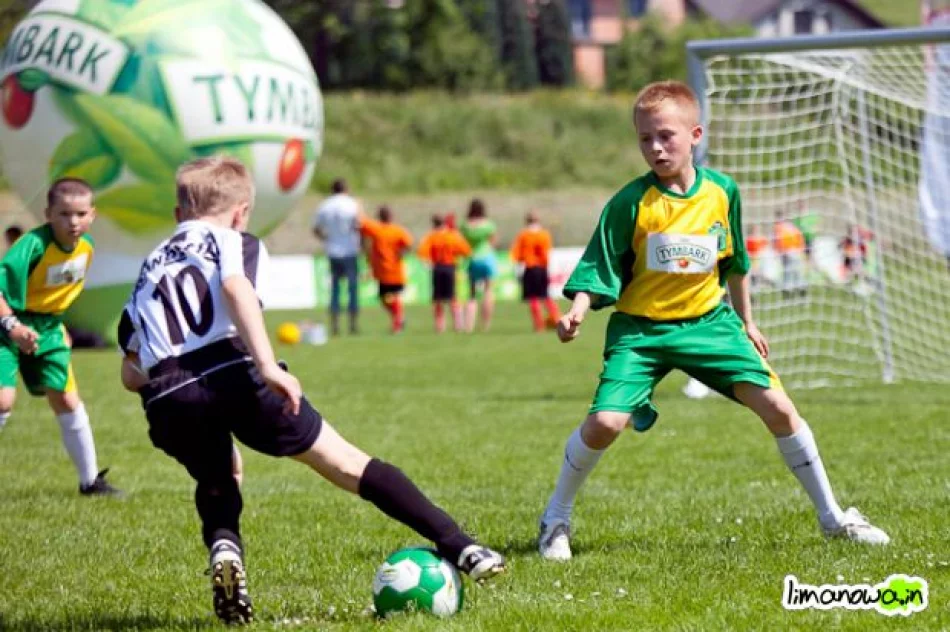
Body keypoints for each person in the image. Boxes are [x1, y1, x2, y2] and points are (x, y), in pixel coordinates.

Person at [117, 157, 505, 625]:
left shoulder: (149, 267)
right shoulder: (232, 240)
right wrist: (267, 366)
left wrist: (171, 388)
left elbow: (129, 370)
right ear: (242, 212)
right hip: (232, 371)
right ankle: (464, 549)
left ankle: (225, 548)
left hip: (168, 393)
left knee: (220, 475)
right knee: (347, 464)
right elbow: (237, 289)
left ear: (179, 213)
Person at [536, 81, 889, 562]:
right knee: (605, 422)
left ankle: (834, 518)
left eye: (666, 136)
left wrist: (748, 323)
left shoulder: (723, 192)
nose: (655, 147)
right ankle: (555, 518)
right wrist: (576, 311)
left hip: (710, 323)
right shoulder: (629, 203)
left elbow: (735, 262)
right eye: (645, 139)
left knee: (780, 409)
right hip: (642, 332)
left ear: (695, 134)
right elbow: (598, 265)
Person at [0, 178, 121, 496]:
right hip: (8, 322)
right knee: (3, 400)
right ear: (48, 214)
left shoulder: (87, 250)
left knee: (66, 397)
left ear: (92, 215)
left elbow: (58, 292)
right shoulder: (32, 245)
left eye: (81, 213)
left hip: (49, 329)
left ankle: (90, 481)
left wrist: (59, 326)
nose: (73, 221)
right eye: (64, 214)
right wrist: (13, 326)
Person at [312, 178, 361, 336]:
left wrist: (327, 239)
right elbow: (360, 224)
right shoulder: (352, 204)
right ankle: (353, 325)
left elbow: (316, 229)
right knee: (352, 288)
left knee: (335, 289)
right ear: (346, 189)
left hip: (333, 251)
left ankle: (335, 325)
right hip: (350, 250)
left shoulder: (325, 205)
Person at [359, 206, 413, 334]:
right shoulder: (382, 229)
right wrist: (402, 252)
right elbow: (409, 245)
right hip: (384, 271)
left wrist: (359, 208)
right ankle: (399, 317)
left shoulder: (394, 230)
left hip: (392, 270)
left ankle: (397, 324)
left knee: (392, 298)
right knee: (385, 299)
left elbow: (361, 222)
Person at [417, 214, 471, 333]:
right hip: (450, 267)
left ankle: (440, 326)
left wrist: (428, 263)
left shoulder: (430, 236)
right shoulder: (452, 235)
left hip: (437, 268)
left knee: (438, 299)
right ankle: (458, 324)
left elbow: (422, 253)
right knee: (452, 297)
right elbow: (466, 250)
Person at [510, 211, 560, 332]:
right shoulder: (544, 234)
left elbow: (516, 255)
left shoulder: (523, 235)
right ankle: (557, 319)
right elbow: (547, 252)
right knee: (545, 296)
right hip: (542, 268)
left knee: (533, 298)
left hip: (530, 268)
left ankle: (539, 325)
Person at [460, 199, 498, 333]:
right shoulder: (488, 225)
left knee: (472, 294)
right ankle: (485, 325)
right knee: (488, 291)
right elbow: (493, 242)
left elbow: (462, 242)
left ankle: (468, 326)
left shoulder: (465, 225)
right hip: (487, 257)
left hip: (472, 258)